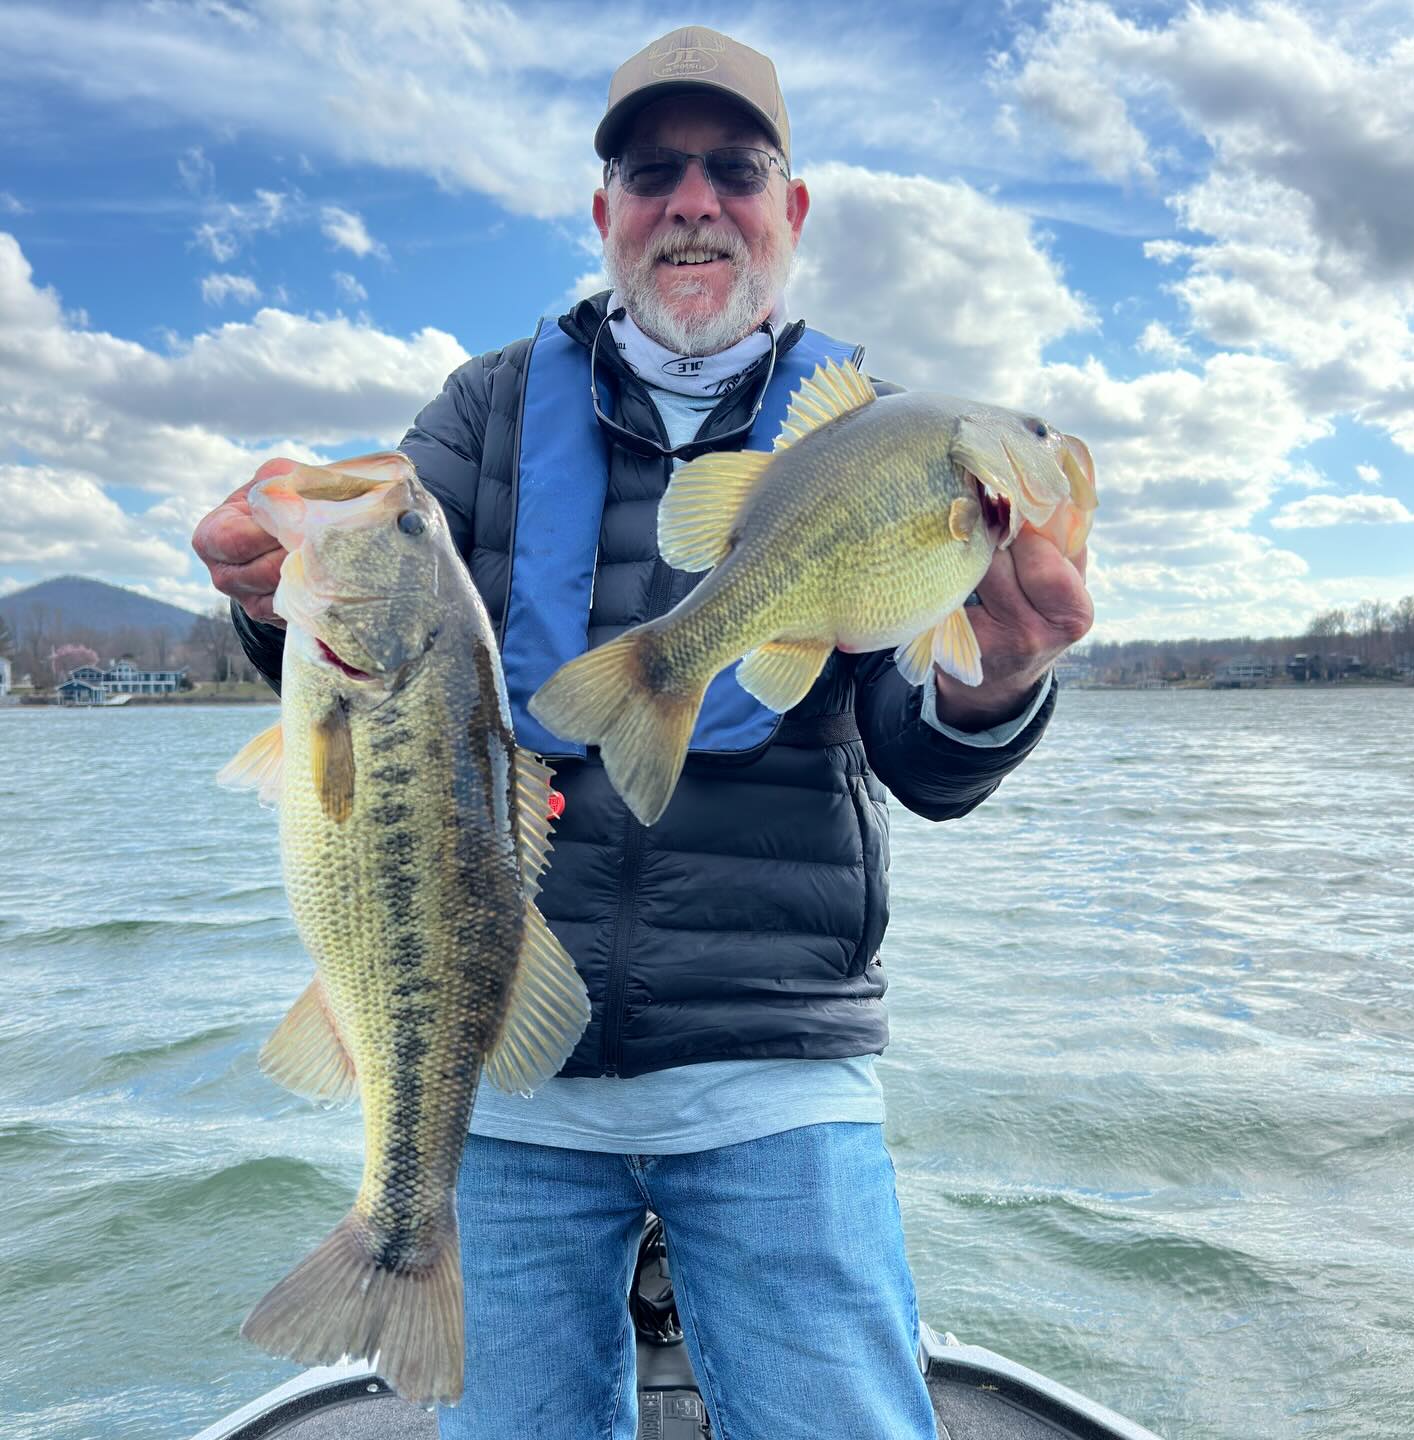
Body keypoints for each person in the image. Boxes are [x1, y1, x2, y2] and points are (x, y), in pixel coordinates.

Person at [192, 24, 1093, 1440]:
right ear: (603, 210)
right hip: (506, 1085)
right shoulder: (485, 413)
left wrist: (998, 680)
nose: (692, 201)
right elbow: (378, 654)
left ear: (789, 211)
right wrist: (268, 594)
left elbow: (925, 762)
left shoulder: (874, 443)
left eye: (735, 167)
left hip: (776, 1068)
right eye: (651, 169)